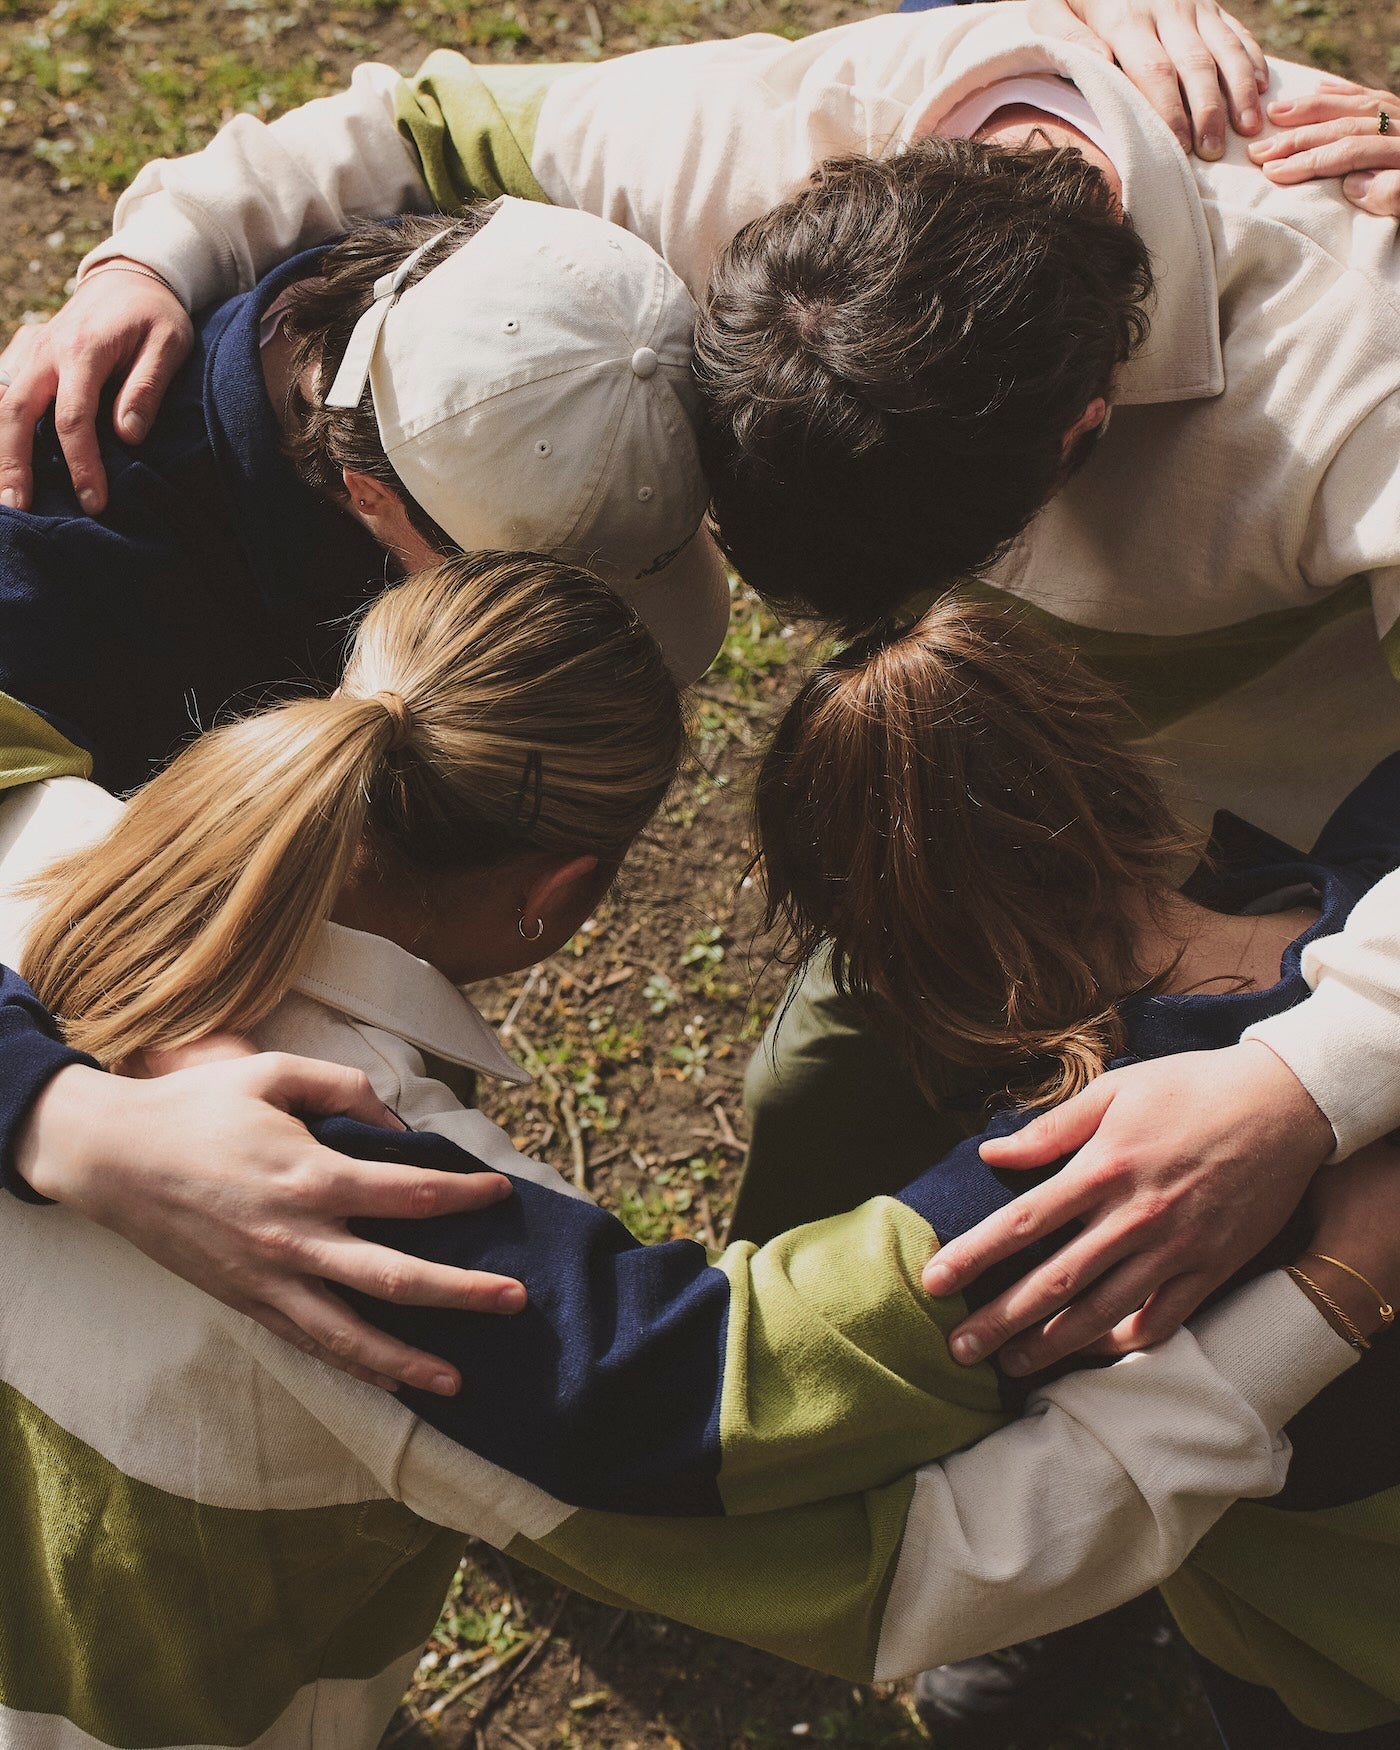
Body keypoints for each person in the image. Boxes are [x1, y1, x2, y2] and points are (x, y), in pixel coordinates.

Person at [6, 1, 1398, 1386]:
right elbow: (413, 118)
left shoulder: (1358, 369)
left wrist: (1301, 1082)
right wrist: (149, 258)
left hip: (1315, 822)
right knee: (833, 1072)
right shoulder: (755, 145)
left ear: (1080, 436)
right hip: (1054, 749)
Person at [0, 548, 1383, 1749]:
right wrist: (1337, 1257)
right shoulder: (346, 1214)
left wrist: (59, 1105)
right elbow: (736, 1399)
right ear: (557, 899)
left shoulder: (43, 836)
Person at [0, 197, 728, 1390]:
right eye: (519, 597)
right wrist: (60, 1118)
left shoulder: (471, 314)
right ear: (373, 502)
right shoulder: (43, 556)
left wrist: (158, 246)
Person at [753, 595, 1400, 1745]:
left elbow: (754, 1400)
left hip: (1331, 1633)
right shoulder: (1369, 861)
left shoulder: (1046, 1187)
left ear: (875, 943)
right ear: (1109, 762)